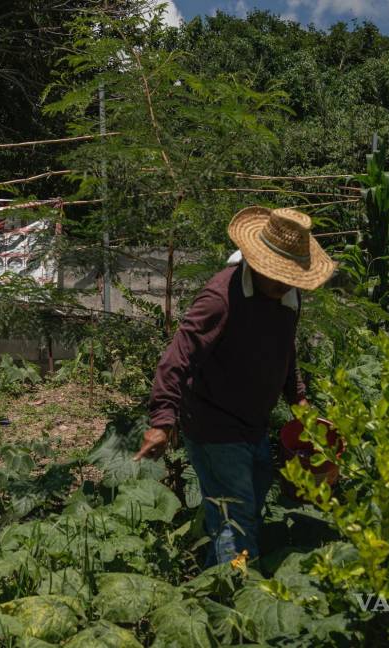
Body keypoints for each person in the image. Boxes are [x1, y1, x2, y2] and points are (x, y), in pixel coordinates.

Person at [133, 206, 336, 566]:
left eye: (291, 276)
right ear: (257, 262)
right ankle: (237, 603)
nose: (285, 283)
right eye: (278, 275)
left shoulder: (288, 297)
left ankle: (217, 584)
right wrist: (162, 422)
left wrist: (298, 398)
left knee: (249, 509)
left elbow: (284, 347)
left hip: (253, 424)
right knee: (236, 521)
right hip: (214, 423)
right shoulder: (221, 298)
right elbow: (177, 357)